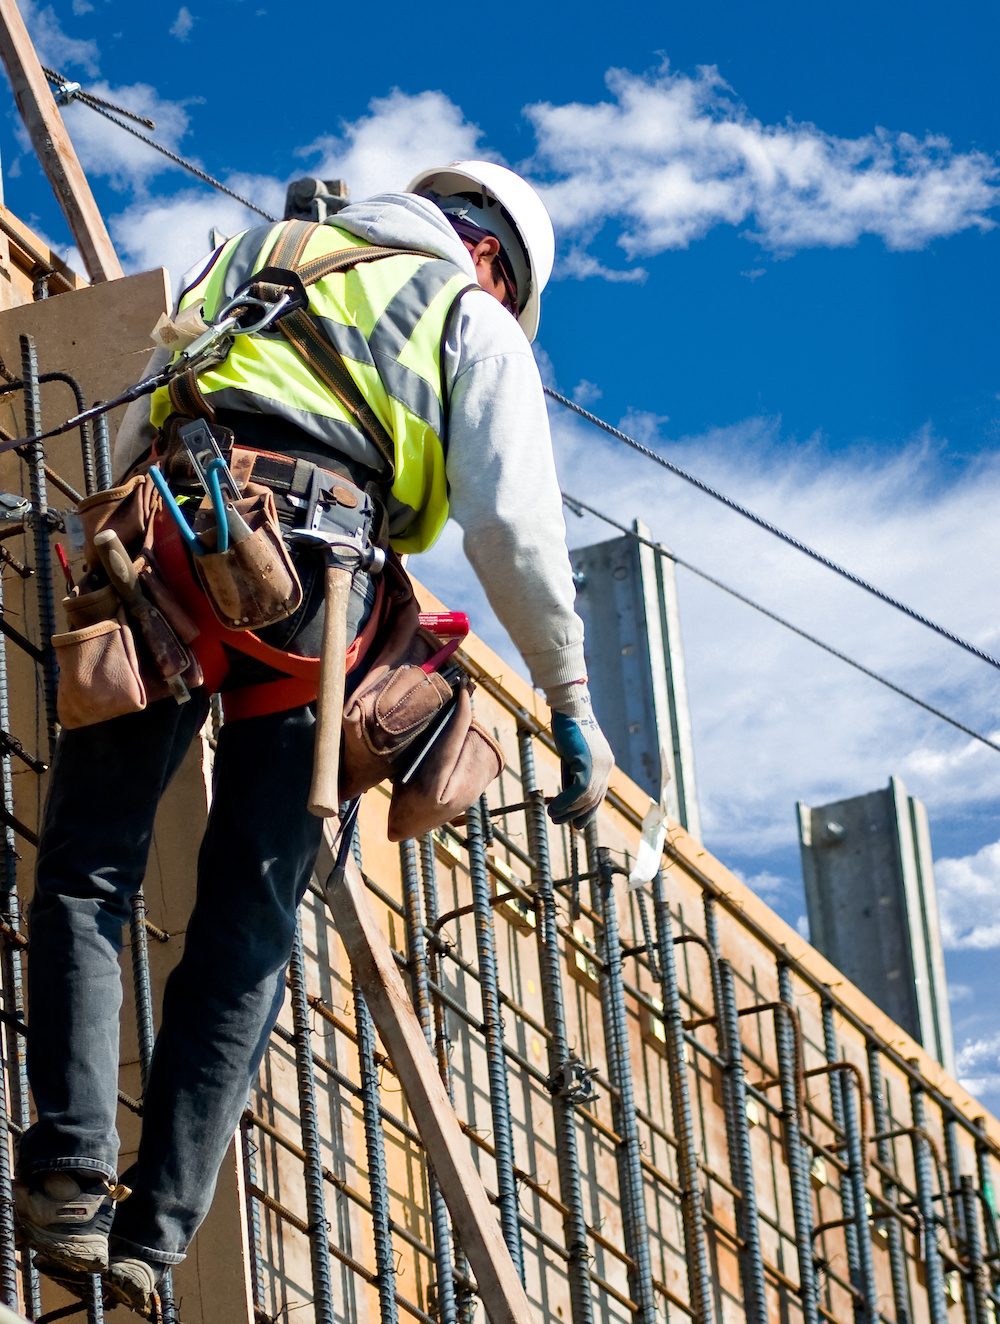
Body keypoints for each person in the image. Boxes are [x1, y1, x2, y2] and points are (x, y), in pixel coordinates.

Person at [13, 161, 614, 1313]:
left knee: (91, 865)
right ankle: (153, 1236)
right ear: (493, 258)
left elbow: (147, 404)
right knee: (248, 920)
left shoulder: (263, 254)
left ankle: (67, 1179)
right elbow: (511, 522)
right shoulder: (466, 315)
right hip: (318, 592)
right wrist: (568, 696)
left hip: (181, 536)